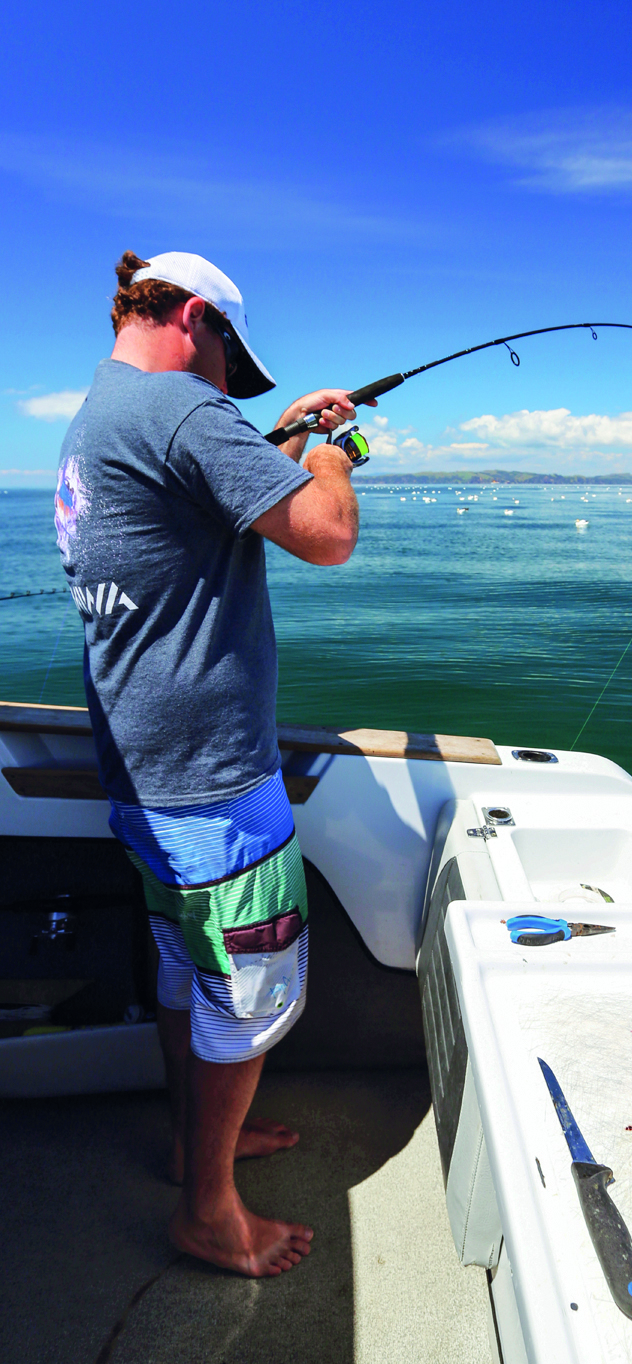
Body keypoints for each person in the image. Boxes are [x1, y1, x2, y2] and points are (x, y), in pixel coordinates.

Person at [54, 250, 375, 1277]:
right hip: (214, 780)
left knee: (184, 968)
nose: (228, 389)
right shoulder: (182, 409)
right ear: (196, 317)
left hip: (143, 773)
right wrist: (337, 455)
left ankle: (199, 1143)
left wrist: (283, 435)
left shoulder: (100, 416)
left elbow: (197, 491)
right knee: (247, 986)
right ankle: (208, 1210)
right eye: (229, 361)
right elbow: (324, 535)